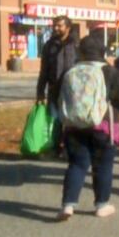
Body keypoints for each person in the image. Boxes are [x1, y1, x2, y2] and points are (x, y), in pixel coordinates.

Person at [57, 36, 119, 220]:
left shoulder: (70, 71)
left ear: (80, 51)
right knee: (103, 166)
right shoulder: (109, 72)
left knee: (76, 164)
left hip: (74, 125)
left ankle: (67, 206)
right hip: (104, 126)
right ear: (102, 52)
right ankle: (101, 205)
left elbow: (56, 96)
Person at [36, 15, 78, 156]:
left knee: (71, 121)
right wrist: (40, 92)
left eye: (59, 26)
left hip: (73, 90)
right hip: (54, 89)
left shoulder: (76, 45)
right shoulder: (49, 45)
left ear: (68, 27)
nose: (56, 28)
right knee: (54, 120)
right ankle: (55, 148)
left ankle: (69, 148)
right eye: (55, 25)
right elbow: (43, 70)